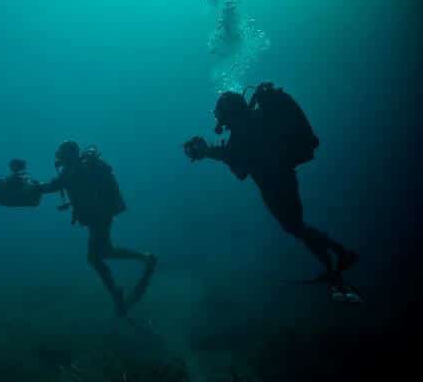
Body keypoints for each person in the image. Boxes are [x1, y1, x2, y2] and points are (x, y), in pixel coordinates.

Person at [183, 83, 358, 279]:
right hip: (283, 177)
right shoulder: (257, 120)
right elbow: (238, 158)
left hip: (273, 185)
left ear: (228, 113)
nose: (219, 120)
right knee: (296, 226)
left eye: (219, 114)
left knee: (294, 226)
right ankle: (336, 260)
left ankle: (339, 257)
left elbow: (238, 165)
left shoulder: (242, 133)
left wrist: (207, 152)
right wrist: (210, 152)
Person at [35, 141, 158, 318]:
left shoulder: (77, 170)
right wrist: (37, 187)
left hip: (99, 216)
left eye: (61, 154)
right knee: (105, 252)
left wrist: (34, 188)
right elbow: (54, 185)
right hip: (98, 216)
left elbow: (55, 185)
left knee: (95, 257)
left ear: (69, 155)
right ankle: (143, 262)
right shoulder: (72, 170)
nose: (58, 158)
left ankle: (120, 290)